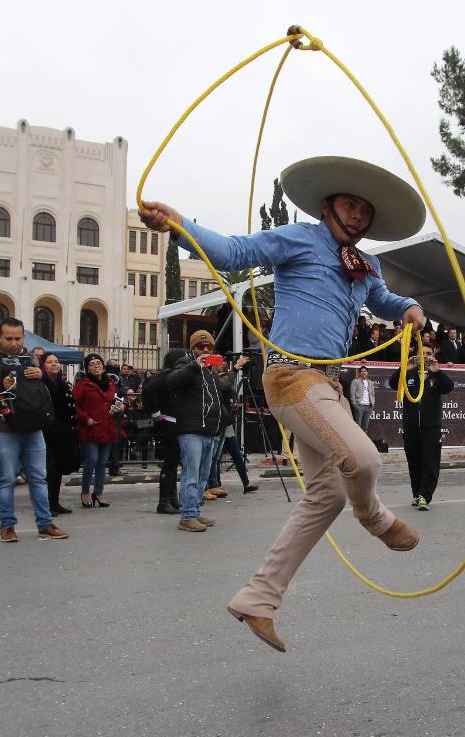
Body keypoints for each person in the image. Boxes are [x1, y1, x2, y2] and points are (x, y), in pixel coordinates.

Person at [141, 154, 427, 652]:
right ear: (327, 205)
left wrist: (409, 308)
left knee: (329, 494)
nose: (358, 216)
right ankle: (376, 518)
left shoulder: (365, 264)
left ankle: (258, 598)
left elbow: (383, 299)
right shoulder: (298, 239)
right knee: (361, 459)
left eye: (365, 211)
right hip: (294, 378)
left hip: (328, 385)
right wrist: (179, 225)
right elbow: (232, 252)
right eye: (349, 204)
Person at [0, 317, 68, 542]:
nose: (14, 343)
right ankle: (7, 526)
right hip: (3, 427)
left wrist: (43, 375)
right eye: (9, 338)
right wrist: (0, 385)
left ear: (24, 337)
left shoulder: (31, 357)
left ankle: (45, 523)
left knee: (38, 478)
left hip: (33, 427)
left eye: (18, 338)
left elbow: (52, 389)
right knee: (6, 479)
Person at [163, 330, 227, 530]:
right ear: (192, 349)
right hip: (192, 430)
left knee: (202, 476)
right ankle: (187, 516)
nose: (205, 350)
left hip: (208, 430)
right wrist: (194, 365)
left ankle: (195, 512)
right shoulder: (187, 364)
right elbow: (171, 382)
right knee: (192, 475)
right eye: (201, 347)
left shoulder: (210, 370)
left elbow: (221, 394)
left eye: (209, 346)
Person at [401, 345, 454, 510]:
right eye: (422, 354)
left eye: (429, 354)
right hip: (410, 427)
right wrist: (405, 367)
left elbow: (449, 387)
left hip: (431, 427)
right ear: (416, 356)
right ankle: (417, 494)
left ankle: (425, 496)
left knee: (430, 462)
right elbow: (392, 383)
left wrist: (437, 371)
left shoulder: (435, 375)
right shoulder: (408, 372)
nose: (425, 356)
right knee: (414, 462)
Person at [205, 353, 259, 499]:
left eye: (222, 361)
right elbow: (224, 385)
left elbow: (227, 389)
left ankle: (245, 483)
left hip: (226, 421)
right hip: (219, 422)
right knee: (214, 457)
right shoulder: (211, 377)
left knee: (234, 453)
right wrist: (235, 368)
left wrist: (232, 406)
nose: (222, 364)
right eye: (219, 362)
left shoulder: (220, 376)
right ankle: (213, 485)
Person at [143, 349, 189, 515]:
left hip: (176, 422)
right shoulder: (167, 375)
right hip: (169, 423)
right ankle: (164, 501)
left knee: (174, 462)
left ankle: (173, 499)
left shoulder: (175, 375)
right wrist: (156, 413)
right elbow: (149, 390)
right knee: (169, 464)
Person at [73, 353, 120, 509]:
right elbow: (75, 405)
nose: (96, 365)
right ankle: (85, 491)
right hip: (90, 428)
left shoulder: (110, 383)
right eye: (92, 364)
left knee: (102, 462)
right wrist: (85, 418)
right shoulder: (83, 384)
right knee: (91, 459)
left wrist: (120, 405)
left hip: (107, 427)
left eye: (98, 362)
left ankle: (98, 492)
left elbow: (116, 399)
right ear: (87, 368)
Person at [41, 352, 77, 514]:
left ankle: (54, 503)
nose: (55, 364)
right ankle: (47, 504)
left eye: (56, 361)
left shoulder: (62, 383)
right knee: (49, 470)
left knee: (58, 470)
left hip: (63, 432)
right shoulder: (42, 383)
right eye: (50, 362)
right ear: (42, 365)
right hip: (48, 431)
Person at [347, 364, 377, 437]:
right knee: (357, 426)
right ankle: (356, 442)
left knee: (365, 427)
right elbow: (352, 393)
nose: (363, 372)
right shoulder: (355, 381)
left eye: (365, 371)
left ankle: (364, 443)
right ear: (360, 373)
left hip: (369, 407)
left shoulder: (370, 382)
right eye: (362, 371)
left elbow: (373, 394)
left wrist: (372, 404)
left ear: (367, 373)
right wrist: (355, 405)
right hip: (359, 406)